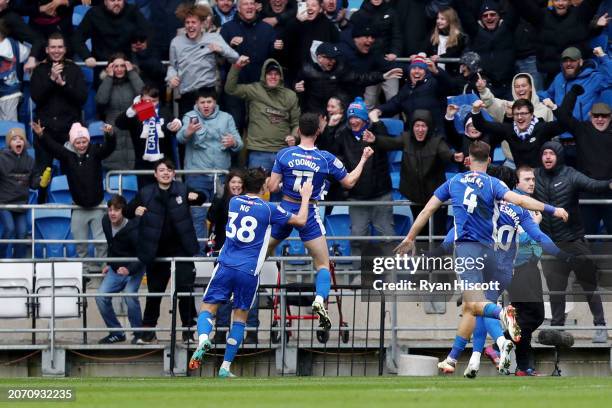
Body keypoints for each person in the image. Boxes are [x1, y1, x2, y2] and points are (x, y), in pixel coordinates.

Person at [395, 140, 569, 374]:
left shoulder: (453, 182)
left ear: (468, 159)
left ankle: (501, 321)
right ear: (489, 159)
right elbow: (520, 201)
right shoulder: (494, 184)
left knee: (477, 304)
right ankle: (456, 358)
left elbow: (427, 210)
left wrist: (410, 238)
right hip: (493, 255)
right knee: (471, 306)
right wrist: (551, 209)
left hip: (468, 250)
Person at [189, 168, 313, 377]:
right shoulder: (269, 209)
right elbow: (301, 220)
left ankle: (203, 340)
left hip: (226, 265)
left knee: (207, 309)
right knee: (240, 318)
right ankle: (225, 368)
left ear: (244, 185)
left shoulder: (234, 203)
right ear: (264, 186)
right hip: (248, 270)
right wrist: (306, 196)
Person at [266, 112, 374, 330]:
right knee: (323, 264)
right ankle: (319, 299)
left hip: (285, 209)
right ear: (318, 132)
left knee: (260, 253)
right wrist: (363, 159)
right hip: (310, 212)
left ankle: (239, 286)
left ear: (298, 131)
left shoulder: (284, 154)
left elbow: (271, 187)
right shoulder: (326, 158)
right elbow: (349, 182)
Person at [533, 141, 612, 343]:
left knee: (588, 285)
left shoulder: (571, 174)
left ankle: (600, 326)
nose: (548, 157)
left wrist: (609, 183)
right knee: (556, 291)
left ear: (559, 155)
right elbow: (518, 186)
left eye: (551, 153)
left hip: (574, 242)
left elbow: (593, 185)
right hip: (550, 245)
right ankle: (557, 329)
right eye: (545, 154)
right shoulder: (536, 176)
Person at [125, 159, 205, 344]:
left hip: (181, 250)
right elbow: (128, 210)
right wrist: (134, 210)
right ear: (155, 174)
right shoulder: (146, 192)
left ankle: (188, 332)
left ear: (174, 173)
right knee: (154, 293)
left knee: (185, 292)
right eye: (161, 170)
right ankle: (148, 332)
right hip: (156, 251)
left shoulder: (182, 189)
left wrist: (197, 197)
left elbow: (201, 197)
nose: (165, 173)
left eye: (169, 170)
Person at [32, 121, 115, 273]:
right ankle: (84, 268)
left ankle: (104, 266)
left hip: (97, 205)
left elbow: (109, 148)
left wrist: (110, 135)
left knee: (101, 240)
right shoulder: (67, 156)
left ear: (88, 141)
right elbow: (53, 147)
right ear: (72, 142)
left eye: (84, 141)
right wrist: (41, 135)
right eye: (78, 142)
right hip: (78, 206)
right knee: (79, 240)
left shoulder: (95, 152)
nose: (82, 145)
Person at [317, 97, 397, 245]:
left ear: (365, 119)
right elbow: (328, 154)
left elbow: (389, 144)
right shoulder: (342, 134)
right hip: (356, 196)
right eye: (351, 117)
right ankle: (360, 268)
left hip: (381, 195)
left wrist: (377, 126)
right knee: (358, 239)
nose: (353, 121)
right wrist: (329, 128)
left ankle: (389, 269)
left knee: (388, 237)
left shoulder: (377, 130)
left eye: (357, 117)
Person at [177, 88, 243, 254]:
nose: (206, 105)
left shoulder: (226, 118)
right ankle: (200, 256)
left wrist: (233, 142)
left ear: (215, 103)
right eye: (202, 102)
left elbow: (240, 144)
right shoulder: (190, 116)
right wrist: (188, 131)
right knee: (198, 216)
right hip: (196, 175)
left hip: (221, 176)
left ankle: (222, 252)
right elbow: (180, 138)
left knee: (224, 216)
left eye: (209, 102)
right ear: (197, 104)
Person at [30, 32, 87, 202]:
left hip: (69, 130)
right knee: (43, 173)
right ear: (47, 49)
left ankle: (73, 206)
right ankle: (40, 207)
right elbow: (36, 97)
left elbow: (81, 98)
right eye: (53, 47)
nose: (56, 50)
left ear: (65, 49)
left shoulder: (74, 69)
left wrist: (63, 84)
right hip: (45, 131)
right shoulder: (39, 70)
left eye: (60, 47)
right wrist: (51, 80)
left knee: (72, 172)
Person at [225, 56, 300, 170]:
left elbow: (296, 123)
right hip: (258, 152)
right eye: (269, 74)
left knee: (282, 188)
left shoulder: (290, 95)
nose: (273, 77)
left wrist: (294, 137)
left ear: (281, 77)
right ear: (264, 76)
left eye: (276, 74)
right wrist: (237, 66)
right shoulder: (254, 90)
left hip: (283, 152)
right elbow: (230, 89)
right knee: (256, 187)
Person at [166, 3, 240, 117]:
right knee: (188, 132)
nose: (190, 26)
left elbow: (235, 57)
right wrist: (171, 77)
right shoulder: (176, 42)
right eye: (187, 22)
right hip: (187, 95)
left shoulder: (213, 38)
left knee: (210, 130)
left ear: (201, 24)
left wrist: (221, 50)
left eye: (194, 22)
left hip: (207, 93)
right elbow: (172, 66)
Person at [557, 85, 612, 236]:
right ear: (590, 115)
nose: (600, 119)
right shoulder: (582, 129)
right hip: (586, 191)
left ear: (610, 117)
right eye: (596, 115)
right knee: (586, 234)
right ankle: (587, 261)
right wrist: (573, 93)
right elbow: (563, 116)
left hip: (610, 191)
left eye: (604, 116)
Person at [509, 0, 605, 86]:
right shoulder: (542, 16)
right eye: (557, 0)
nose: (560, 3)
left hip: (577, 75)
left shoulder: (580, 15)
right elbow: (523, 4)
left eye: (564, 0)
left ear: (569, 1)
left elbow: (592, 2)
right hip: (550, 76)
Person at [294, 42, 402, 114]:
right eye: (329, 58)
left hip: (337, 110)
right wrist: (297, 88)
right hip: (315, 112)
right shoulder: (307, 70)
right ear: (320, 58)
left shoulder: (340, 68)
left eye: (334, 58)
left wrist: (383, 76)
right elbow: (297, 87)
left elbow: (360, 78)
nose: (333, 61)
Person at [96, 195, 145, 345]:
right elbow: (112, 245)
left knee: (130, 295)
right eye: (110, 210)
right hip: (116, 268)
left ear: (123, 211)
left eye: (116, 210)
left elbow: (143, 253)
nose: (112, 213)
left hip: (134, 267)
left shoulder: (133, 226)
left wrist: (129, 270)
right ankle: (117, 332)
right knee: (100, 296)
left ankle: (138, 334)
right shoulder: (105, 221)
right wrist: (110, 263)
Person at [114, 86, 182, 187]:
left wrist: (177, 123)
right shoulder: (135, 114)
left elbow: (172, 126)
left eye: (154, 101)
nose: (151, 104)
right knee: (146, 198)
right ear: (141, 100)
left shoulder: (165, 111)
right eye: (147, 101)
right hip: (143, 165)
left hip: (164, 164)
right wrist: (132, 109)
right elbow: (119, 123)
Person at [471, 98, 563, 168]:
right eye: (516, 114)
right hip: (520, 179)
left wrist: (553, 107)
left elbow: (565, 124)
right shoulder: (509, 129)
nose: (519, 117)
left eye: (523, 113)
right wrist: (476, 110)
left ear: (531, 115)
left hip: (542, 178)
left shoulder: (542, 127)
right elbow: (481, 125)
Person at [0, 128, 47, 258]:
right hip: (4, 204)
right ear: (9, 143)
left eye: (21, 139)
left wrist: (41, 181)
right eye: (14, 139)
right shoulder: (1, 158)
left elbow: (33, 183)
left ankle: (18, 263)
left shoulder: (30, 160)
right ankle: (1, 258)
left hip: (21, 205)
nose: (18, 141)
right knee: (10, 229)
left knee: (22, 234)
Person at [95, 53, 145, 171]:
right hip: (114, 127)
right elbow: (101, 100)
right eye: (115, 66)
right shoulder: (105, 82)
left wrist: (132, 73)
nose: (119, 69)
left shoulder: (133, 80)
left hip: (133, 128)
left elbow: (144, 97)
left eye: (122, 66)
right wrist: (109, 77)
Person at [538, 47, 612, 123]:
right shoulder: (559, 78)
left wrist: (603, 56)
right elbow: (547, 94)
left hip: (582, 131)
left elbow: (610, 79)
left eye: (572, 60)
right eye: (565, 61)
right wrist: (531, 96)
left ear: (580, 62)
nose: (568, 64)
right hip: (560, 130)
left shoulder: (593, 77)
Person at [72, 0, 151, 68]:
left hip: (127, 64)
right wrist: (87, 57)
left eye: (119, 0)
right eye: (112, 0)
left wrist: (142, 42)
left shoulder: (132, 11)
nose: (116, 3)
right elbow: (78, 38)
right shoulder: (94, 13)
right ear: (105, 1)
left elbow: (147, 31)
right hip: (103, 65)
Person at [0, 20, 31, 121]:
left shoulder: (14, 46)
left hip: (9, 92)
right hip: (9, 91)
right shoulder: (14, 44)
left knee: (9, 127)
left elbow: (29, 54)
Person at [426, 7, 466, 78]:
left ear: (450, 20)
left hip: (451, 75)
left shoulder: (459, 36)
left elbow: (454, 52)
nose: (438, 21)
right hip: (434, 74)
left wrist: (440, 57)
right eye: (438, 18)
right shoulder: (433, 34)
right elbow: (424, 47)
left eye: (442, 19)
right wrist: (420, 54)